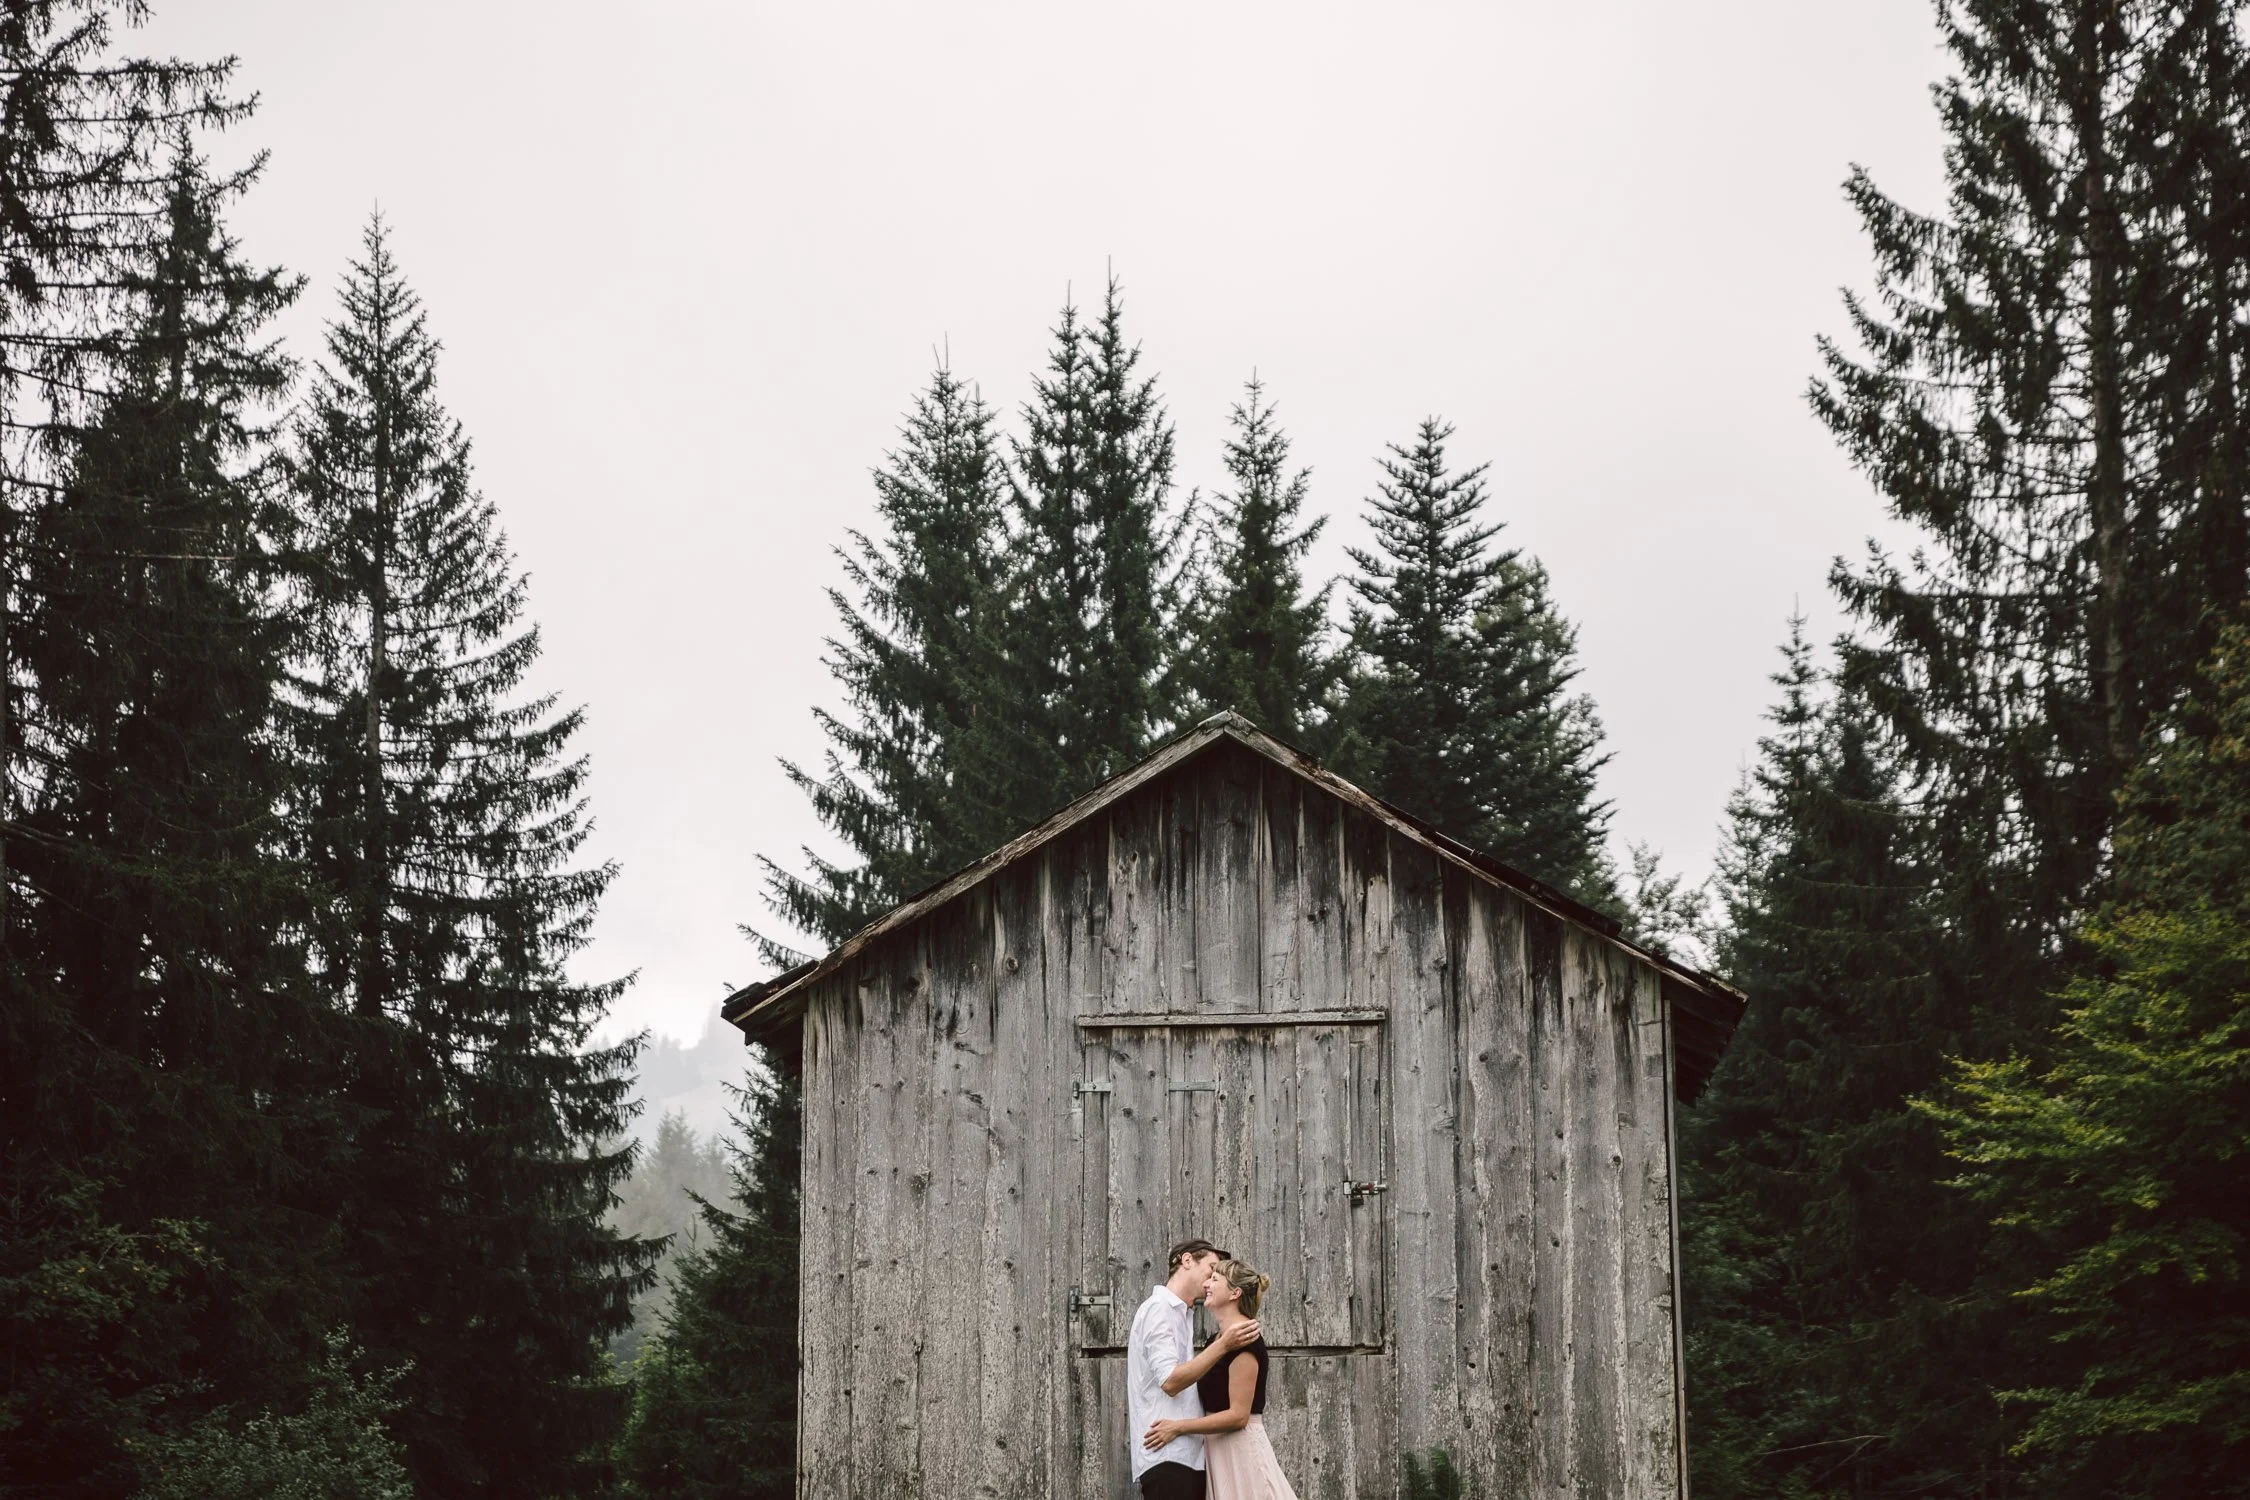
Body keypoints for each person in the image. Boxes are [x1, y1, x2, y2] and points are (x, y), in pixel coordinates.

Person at [1142, 1259, 1298, 1500]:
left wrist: (1178, 1427)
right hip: (1219, 1453)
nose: (1206, 1284)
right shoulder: (1218, 1340)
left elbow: (1238, 1415)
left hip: (1241, 1452)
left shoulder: (1246, 1339)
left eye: (1215, 1279)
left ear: (1234, 1293)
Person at [1127, 1238, 1263, 1500]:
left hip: (1188, 1456)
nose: (1212, 1278)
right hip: (1168, 1456)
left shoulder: (1181, 1314)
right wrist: (1224, 1345)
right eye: (1211, 1269)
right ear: (1187, 1260)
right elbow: (1170, 1381)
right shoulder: (1159, 1310)